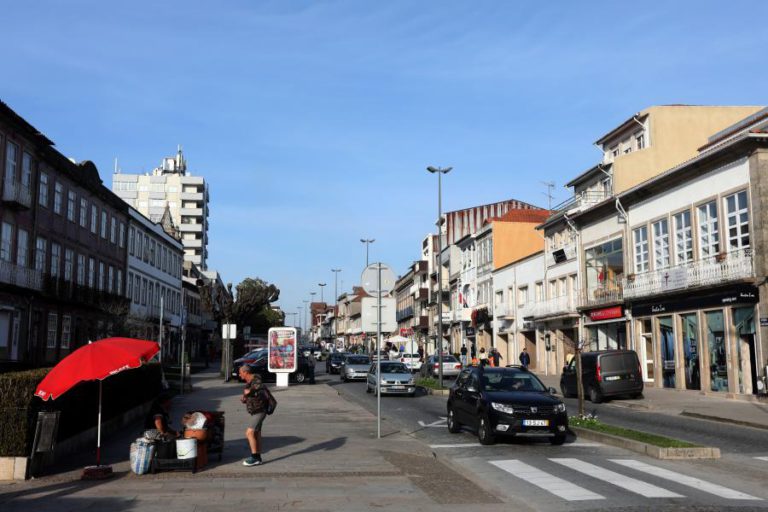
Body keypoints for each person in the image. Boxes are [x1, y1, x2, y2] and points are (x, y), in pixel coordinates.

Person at [239, 365, 268, 466]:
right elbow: (251, 396)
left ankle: (254, 457)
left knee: (249, 433)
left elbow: (257, 388)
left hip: (260, 410)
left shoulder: (256, 380)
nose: (239, 375)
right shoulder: (248, 383)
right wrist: (244, 399)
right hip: (255, 410)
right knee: (256, 433)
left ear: (245, 372)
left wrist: (249, 392)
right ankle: (258, 457)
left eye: (240, 373)